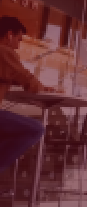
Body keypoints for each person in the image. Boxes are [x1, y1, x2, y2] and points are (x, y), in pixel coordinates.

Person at [0, 16, 47, 174]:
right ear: (9, 35)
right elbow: (26, 78)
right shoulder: (4, 51)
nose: (18, 46)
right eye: (18, 40)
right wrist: (42, 88)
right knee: (35, 129)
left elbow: (11, 75)